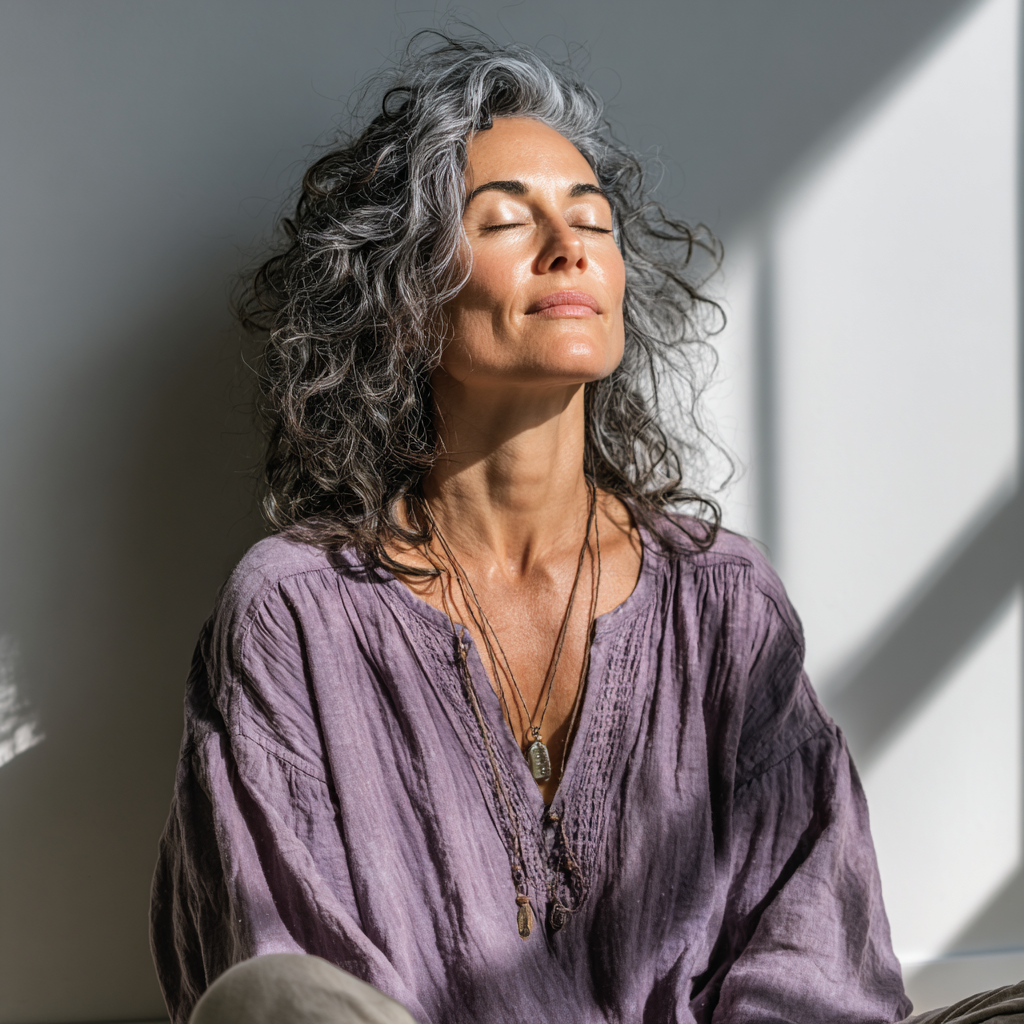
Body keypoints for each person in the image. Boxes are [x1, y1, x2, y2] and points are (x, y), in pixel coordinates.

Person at [149, 36, 1023, 1024]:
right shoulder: (296, 615)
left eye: (590, 219)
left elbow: (809, 956)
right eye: (508, 218)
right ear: (401, 302)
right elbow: (288, 965)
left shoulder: (723, 606)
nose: (568, 245)